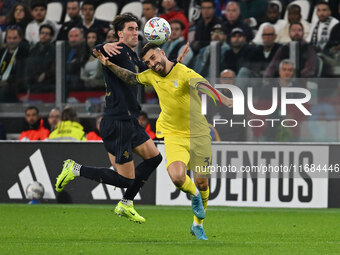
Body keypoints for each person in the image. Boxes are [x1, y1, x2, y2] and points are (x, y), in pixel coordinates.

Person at [93, 42, 233, 240]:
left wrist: (224, 99)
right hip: (174, 135)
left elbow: (204, 86)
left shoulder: (184, 72)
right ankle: (195, 198)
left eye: (153, 58)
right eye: (147, 61)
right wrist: (108, 65)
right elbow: (131, 78)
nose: (151, 64)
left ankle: (197, 225)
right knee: (177, 177)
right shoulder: (151, 75)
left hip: (199, 134)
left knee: (202, 183)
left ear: (162, 53)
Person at [55, 14, 162, 225]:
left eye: (136, 28)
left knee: (154, 158)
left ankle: (126, 204)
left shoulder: (131, 55)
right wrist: (101, 46)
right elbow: (98, 49)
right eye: (130, 29)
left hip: (131, 120)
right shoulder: (118, 50)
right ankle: (74, 169)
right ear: (120, 33)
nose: (135, 32)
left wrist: (173, 63)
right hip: (117, 122)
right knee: (125, 179)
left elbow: (150, 69)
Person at [0, 25, 30, 102]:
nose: (11, 41)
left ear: (20, 39)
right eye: (9, 38)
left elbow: (21, 74)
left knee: (5, 89)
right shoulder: (2, 52)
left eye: (14, 38)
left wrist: (7, 81)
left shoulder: (24, 53)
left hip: (14, 86)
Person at [24, 24, 55, 93]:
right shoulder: (33, 50)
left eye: (47, 34)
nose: (44, 36)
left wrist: (46, 74)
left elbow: (54, 67)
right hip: (32, 81)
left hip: (48, 82)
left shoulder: (54, 50)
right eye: (42, 33)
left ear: (51, 37)